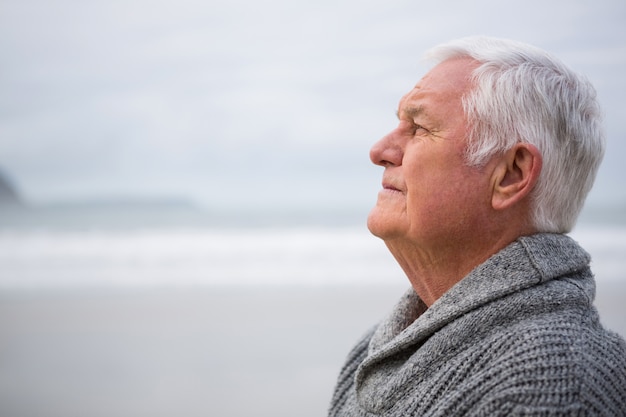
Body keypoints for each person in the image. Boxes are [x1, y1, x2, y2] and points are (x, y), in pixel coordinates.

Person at [328, 36, 626, 416]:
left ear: (512, 175)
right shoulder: (376, 350)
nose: (380, 150)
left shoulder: (553, 387)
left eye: (419, 127)